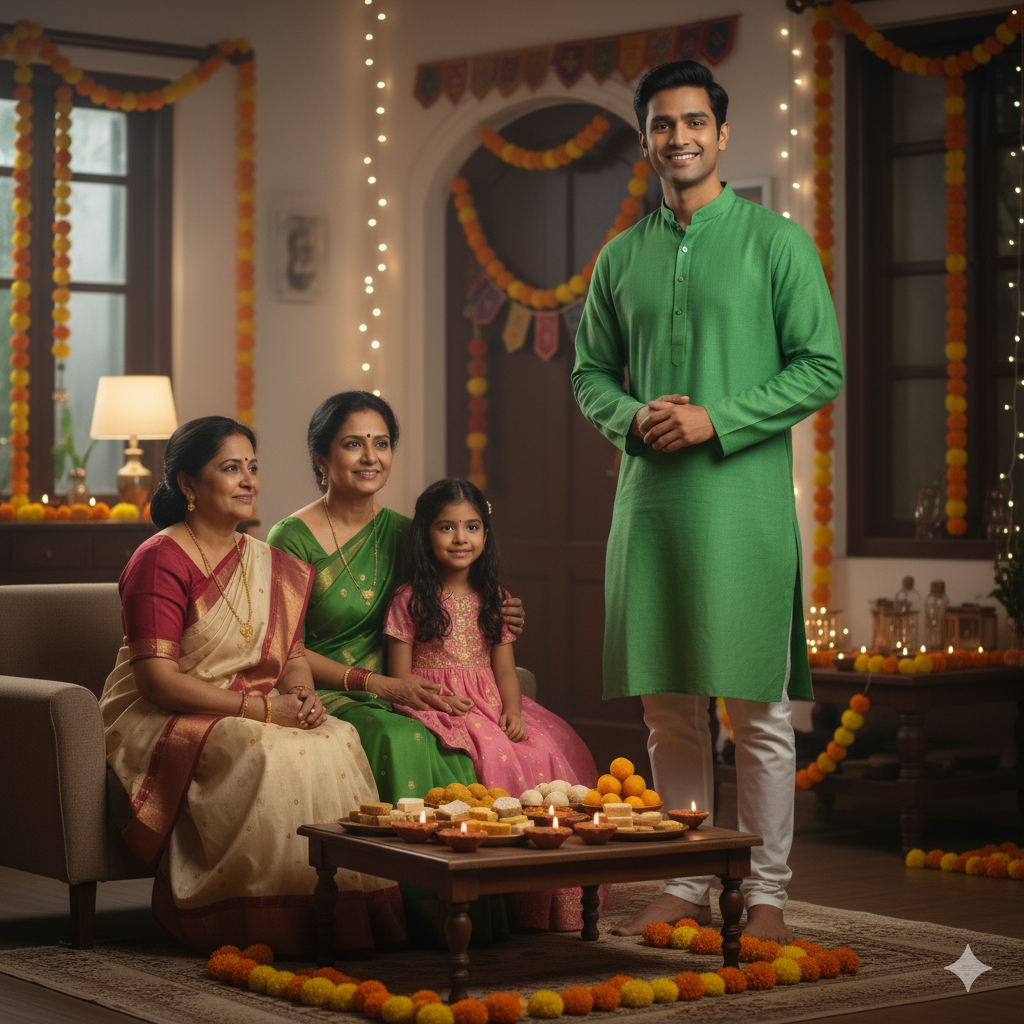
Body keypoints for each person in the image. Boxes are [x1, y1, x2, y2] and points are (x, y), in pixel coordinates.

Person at [571, 60, 843, 943]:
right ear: (644, 139)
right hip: (651, 509)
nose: (679, 137)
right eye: (662, 124)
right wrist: (632, 416)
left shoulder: (776, 243)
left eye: (694, 122)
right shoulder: (621, 257)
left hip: (744, 507)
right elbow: (588, 374)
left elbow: (821, 366)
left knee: (756, 710)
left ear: (722, 134)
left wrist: (715, 419)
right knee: (669, 709)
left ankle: (766, 891)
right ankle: (687, 878)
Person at [100, 416, 406, 956]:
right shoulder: (160, 559)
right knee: (264, 749)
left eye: (253, 467)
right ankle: (255, 925)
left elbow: (290, 654)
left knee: (336, 737)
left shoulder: (264, 560)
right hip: (167, 713)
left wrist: (302, 695)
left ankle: (333, 919)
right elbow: (158, 682)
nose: (248, 481)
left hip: (252, 702)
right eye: (231, 468)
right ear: (188, 484)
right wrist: (263, 710)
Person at [267, 391, 525, 805]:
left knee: (467, 735)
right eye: (354, 444)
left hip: (409, 690)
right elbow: (283, 647)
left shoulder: (408, 534)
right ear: (321, 460)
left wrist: (504, 610)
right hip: (330, 690)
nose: (371, 457)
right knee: (402, 736)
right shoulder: (291, 537)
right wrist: (379, 685)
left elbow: (463, 595)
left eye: (382, 443)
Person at [384, 477, 598, 794]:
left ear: (485, 535)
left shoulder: (496, 599)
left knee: (545, 746)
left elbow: (506, 671)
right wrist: (440, 699)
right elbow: (399, 675)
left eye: (472, 527)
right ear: (426, 535)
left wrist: (513, 712)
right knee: (494, 750)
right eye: (446, 527)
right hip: (437, 703)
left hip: (491, 703)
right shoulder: (408, 598)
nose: (460, 538)